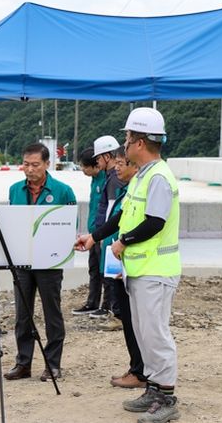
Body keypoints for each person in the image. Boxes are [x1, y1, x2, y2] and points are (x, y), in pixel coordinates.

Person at [75, 107, 181, 422]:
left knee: (156, 335)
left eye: (128, 137)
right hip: (140, 270)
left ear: (139, 142)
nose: (125, 143)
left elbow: (155, 222)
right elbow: (123, 215)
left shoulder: (158, 177)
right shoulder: (143, 175)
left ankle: (167, 397)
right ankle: (153, 388)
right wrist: (94, 237)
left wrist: (123, 242)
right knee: (144, 334)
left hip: (156, 271)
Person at [4, 142, 77, 382]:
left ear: (47, 164)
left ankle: (52, 364)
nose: (30, 169)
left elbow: (70, 225)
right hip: (22, 262)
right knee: (22, 314)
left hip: (50, 263)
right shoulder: (15, 190)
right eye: (26, 164)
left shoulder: (63, 191)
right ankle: (23, 363)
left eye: (35, 165)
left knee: (51, 312)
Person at [104, 146, 146, 389]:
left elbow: (150, 225)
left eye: (121, 163)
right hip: (123, 263)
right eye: (116, 163)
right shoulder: (128, 189)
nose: (116, 168)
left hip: (137, 266)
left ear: (135, 165)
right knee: (128, 320)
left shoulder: (144, 187)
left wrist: (123, 244)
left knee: (136, 323)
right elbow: (118, 220)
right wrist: (94, 237)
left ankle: (141, 372)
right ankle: (137, 368)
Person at [90, 135, 125, 320]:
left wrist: (104, 234)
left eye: (98, 158)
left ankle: (114, 312)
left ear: (107, 156)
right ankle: (111, 310)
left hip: (110, 234)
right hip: (107, 232)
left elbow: (112, 208)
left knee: (111, 274)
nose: (97, 162)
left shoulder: (114, 179)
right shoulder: (110, 177)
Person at [71, 147, 105, 316]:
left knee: (104, 271)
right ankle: (92, 303)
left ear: (96, 165)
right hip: (93, 233)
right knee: (93, 269)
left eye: (85, 166)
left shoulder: (106, 179)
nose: (82, 170)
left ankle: (107, 306)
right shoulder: (94, 180)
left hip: (102, 233)